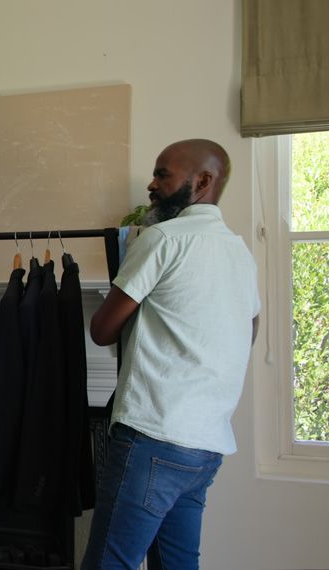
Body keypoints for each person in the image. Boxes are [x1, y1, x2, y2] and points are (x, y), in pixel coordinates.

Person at [81, 139, 260, 569]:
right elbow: (248, 330)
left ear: (202, 181)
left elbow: (102, 329)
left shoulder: (163, 238)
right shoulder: (239, 252)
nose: (152, 183)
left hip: (152, 436)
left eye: (163, 174)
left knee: (109, 563)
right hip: (204, 448)